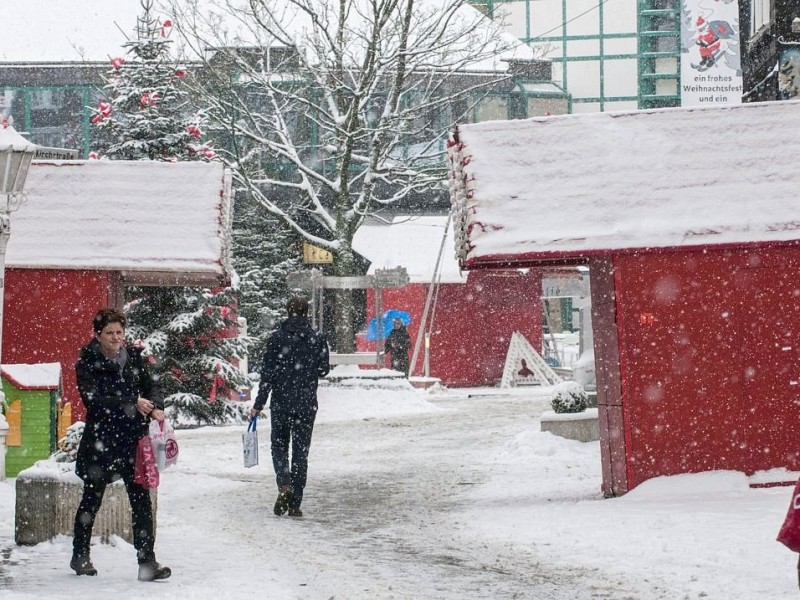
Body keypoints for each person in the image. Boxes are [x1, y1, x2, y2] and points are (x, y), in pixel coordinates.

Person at [71, 307, 171, 582]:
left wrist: (156, 407)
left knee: (141, 503)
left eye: (119, 332)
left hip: (133, 443)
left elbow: (153, 385)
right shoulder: (87, 363)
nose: (116, 338)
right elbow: (94, 401)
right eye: (110, 333)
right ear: (98, 335)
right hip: (101, 443)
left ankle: (147, 563)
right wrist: (131, 402)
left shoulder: (136, 358)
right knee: (91, 500)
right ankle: (80, 555)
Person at [251, 297, 330, 518]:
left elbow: (267, 374)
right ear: (306, 312)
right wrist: (308, 368)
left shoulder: (277, 338)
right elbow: (324, 370)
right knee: (300, 452)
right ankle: (295, 503)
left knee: (279, 446)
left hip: (281, 402)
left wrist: (259, 403)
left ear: (288, 311)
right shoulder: (317, 338)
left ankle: (284, 484)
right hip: (306, 403)